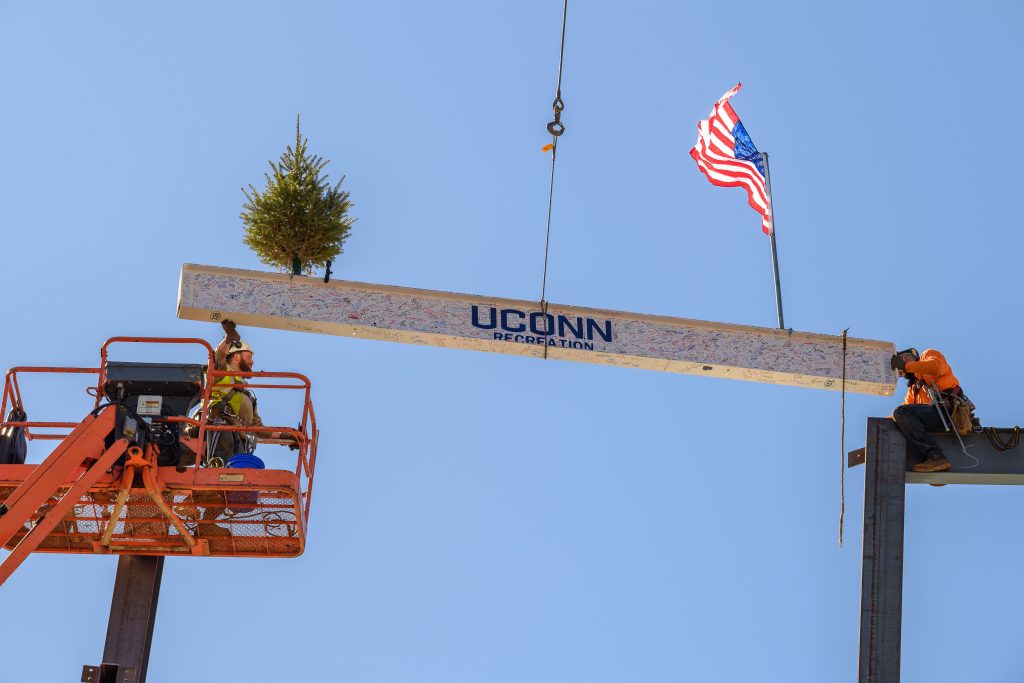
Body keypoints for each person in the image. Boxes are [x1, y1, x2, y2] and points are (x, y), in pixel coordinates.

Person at [891, 347, 972, 473]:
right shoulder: (914, 389)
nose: (904, 360)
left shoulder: (928, 355)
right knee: (901, 413)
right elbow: (902, 415)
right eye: (901, 361)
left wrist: (906, 366)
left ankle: (935, 456)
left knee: (901, 411)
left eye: (905, 356)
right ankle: (937, 462)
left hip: (950, 412)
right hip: (936, 418)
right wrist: (880, 424)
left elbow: (935, 367)